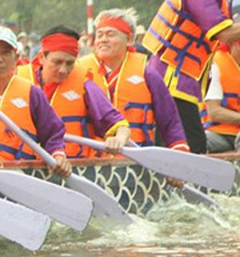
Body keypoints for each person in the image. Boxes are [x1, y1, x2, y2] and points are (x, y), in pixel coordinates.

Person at [142, 0, 240, 153]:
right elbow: (224, 34)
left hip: (184, 78)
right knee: (189, 145)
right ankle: (178, 186)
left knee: (184, 144)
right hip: (171, 77)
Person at [0, 26, 71, 178]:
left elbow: (53, 133)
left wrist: (58, 155)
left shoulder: (32, 93)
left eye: (5, 53)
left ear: (16, 58)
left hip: (18, 175)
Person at [79, 9, 189, 151]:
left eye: (110, 34)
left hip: (137, 156)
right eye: (99, 35)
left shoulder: (148, 74)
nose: (103, 40)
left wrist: (179, 150)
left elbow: (169, 120)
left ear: (129, 39)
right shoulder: (80, 71)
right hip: (91, 161)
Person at [16, 25, 130, 158]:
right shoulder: (18, 80)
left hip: (73, 167)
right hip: (26, 169)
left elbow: (121, 126)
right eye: (57, 62)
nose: (63, 70)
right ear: (41, 57)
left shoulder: (85, 85)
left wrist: (118, 140)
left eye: (69, 63)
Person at [203, 39, 240, 152]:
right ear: (234, 44)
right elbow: (214, 112)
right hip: (218, 134)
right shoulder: (216, 65)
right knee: (196, 143)